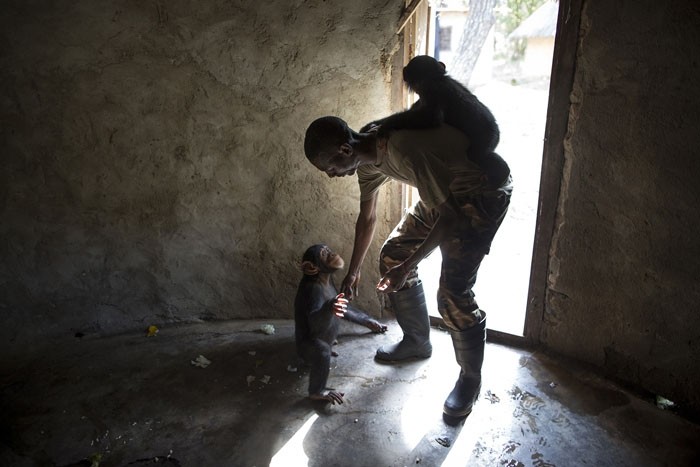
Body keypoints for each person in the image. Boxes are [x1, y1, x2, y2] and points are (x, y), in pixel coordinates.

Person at [303, 116, 512, 424]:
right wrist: (353, 272)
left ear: (345, 150)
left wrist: (407, 267)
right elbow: (367, 219)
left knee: (453, 293)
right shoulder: (367, 160)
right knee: (392, 256)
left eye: (330, 168)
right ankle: (417, 340)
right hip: (445, 192)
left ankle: (470, 378)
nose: (332, 175)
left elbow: (450, 219)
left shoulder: (402, 150)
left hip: (482, 190)